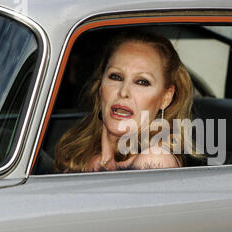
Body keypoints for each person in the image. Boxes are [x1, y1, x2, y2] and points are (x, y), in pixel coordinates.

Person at [54, 30, 197, 172]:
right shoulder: (79, 158)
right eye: (115, 77)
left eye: (142, 82)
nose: (123, 92)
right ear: (100, 85)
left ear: (166, 98)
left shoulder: (154, 159)